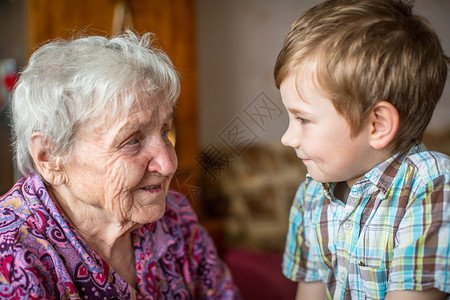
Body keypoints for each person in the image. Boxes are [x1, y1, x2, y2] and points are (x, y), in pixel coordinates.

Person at [0, 31, 238, 299]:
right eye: (132, 140)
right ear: (49, 156)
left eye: (164, 131)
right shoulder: (11, 256)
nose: (168, 164)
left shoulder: (175, 219)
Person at [274, 0, 449, 299]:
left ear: (377, 125)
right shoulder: (312, 193)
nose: (287, 138)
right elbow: (310, 291)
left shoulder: (431, 185)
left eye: (303, 119)